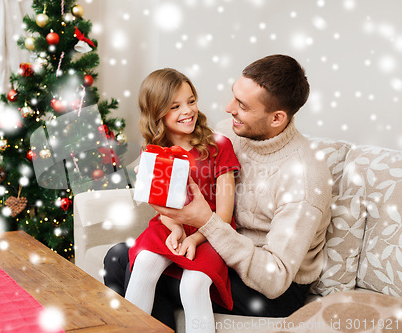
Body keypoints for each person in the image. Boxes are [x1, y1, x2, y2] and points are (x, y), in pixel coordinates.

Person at [104, 55, 332, 330]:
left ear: (277, 118)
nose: (228, 108)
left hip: (268, 285)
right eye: (234, 97)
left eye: (242, 105)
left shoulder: (304, 179)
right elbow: (185, 158)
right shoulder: (231, 134)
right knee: (124, 257)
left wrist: (206, 224)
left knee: (124, 262)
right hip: (219, 246)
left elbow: (274, 280)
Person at [124, 68, 240, 333]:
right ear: (157, 113)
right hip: (170, 224)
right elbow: (163, 207)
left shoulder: (219, 146)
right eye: (175, 106)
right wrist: (176, 229)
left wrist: (195, 238)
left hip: (212, 232)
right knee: (143, 263)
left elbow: (224, 214)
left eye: (191, 101)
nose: (187, 111)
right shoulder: (154, 152)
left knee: (194, 284)